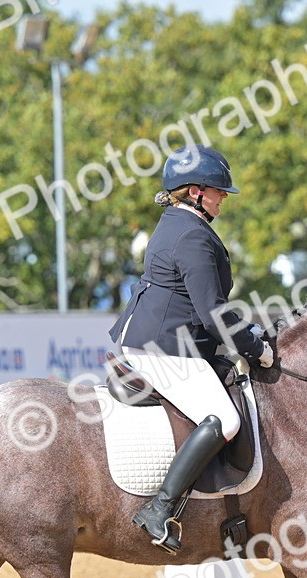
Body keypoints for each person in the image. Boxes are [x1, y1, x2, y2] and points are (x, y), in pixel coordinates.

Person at [108, 144, 274, 553]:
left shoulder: (174, 224)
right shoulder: (193, 237)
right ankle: (159, 509)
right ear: (196, 192)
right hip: (165, 348)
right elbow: (213, 312)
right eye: (219, 191)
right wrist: (254, 348)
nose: (223, 198)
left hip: (172, 341)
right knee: (225, 419)